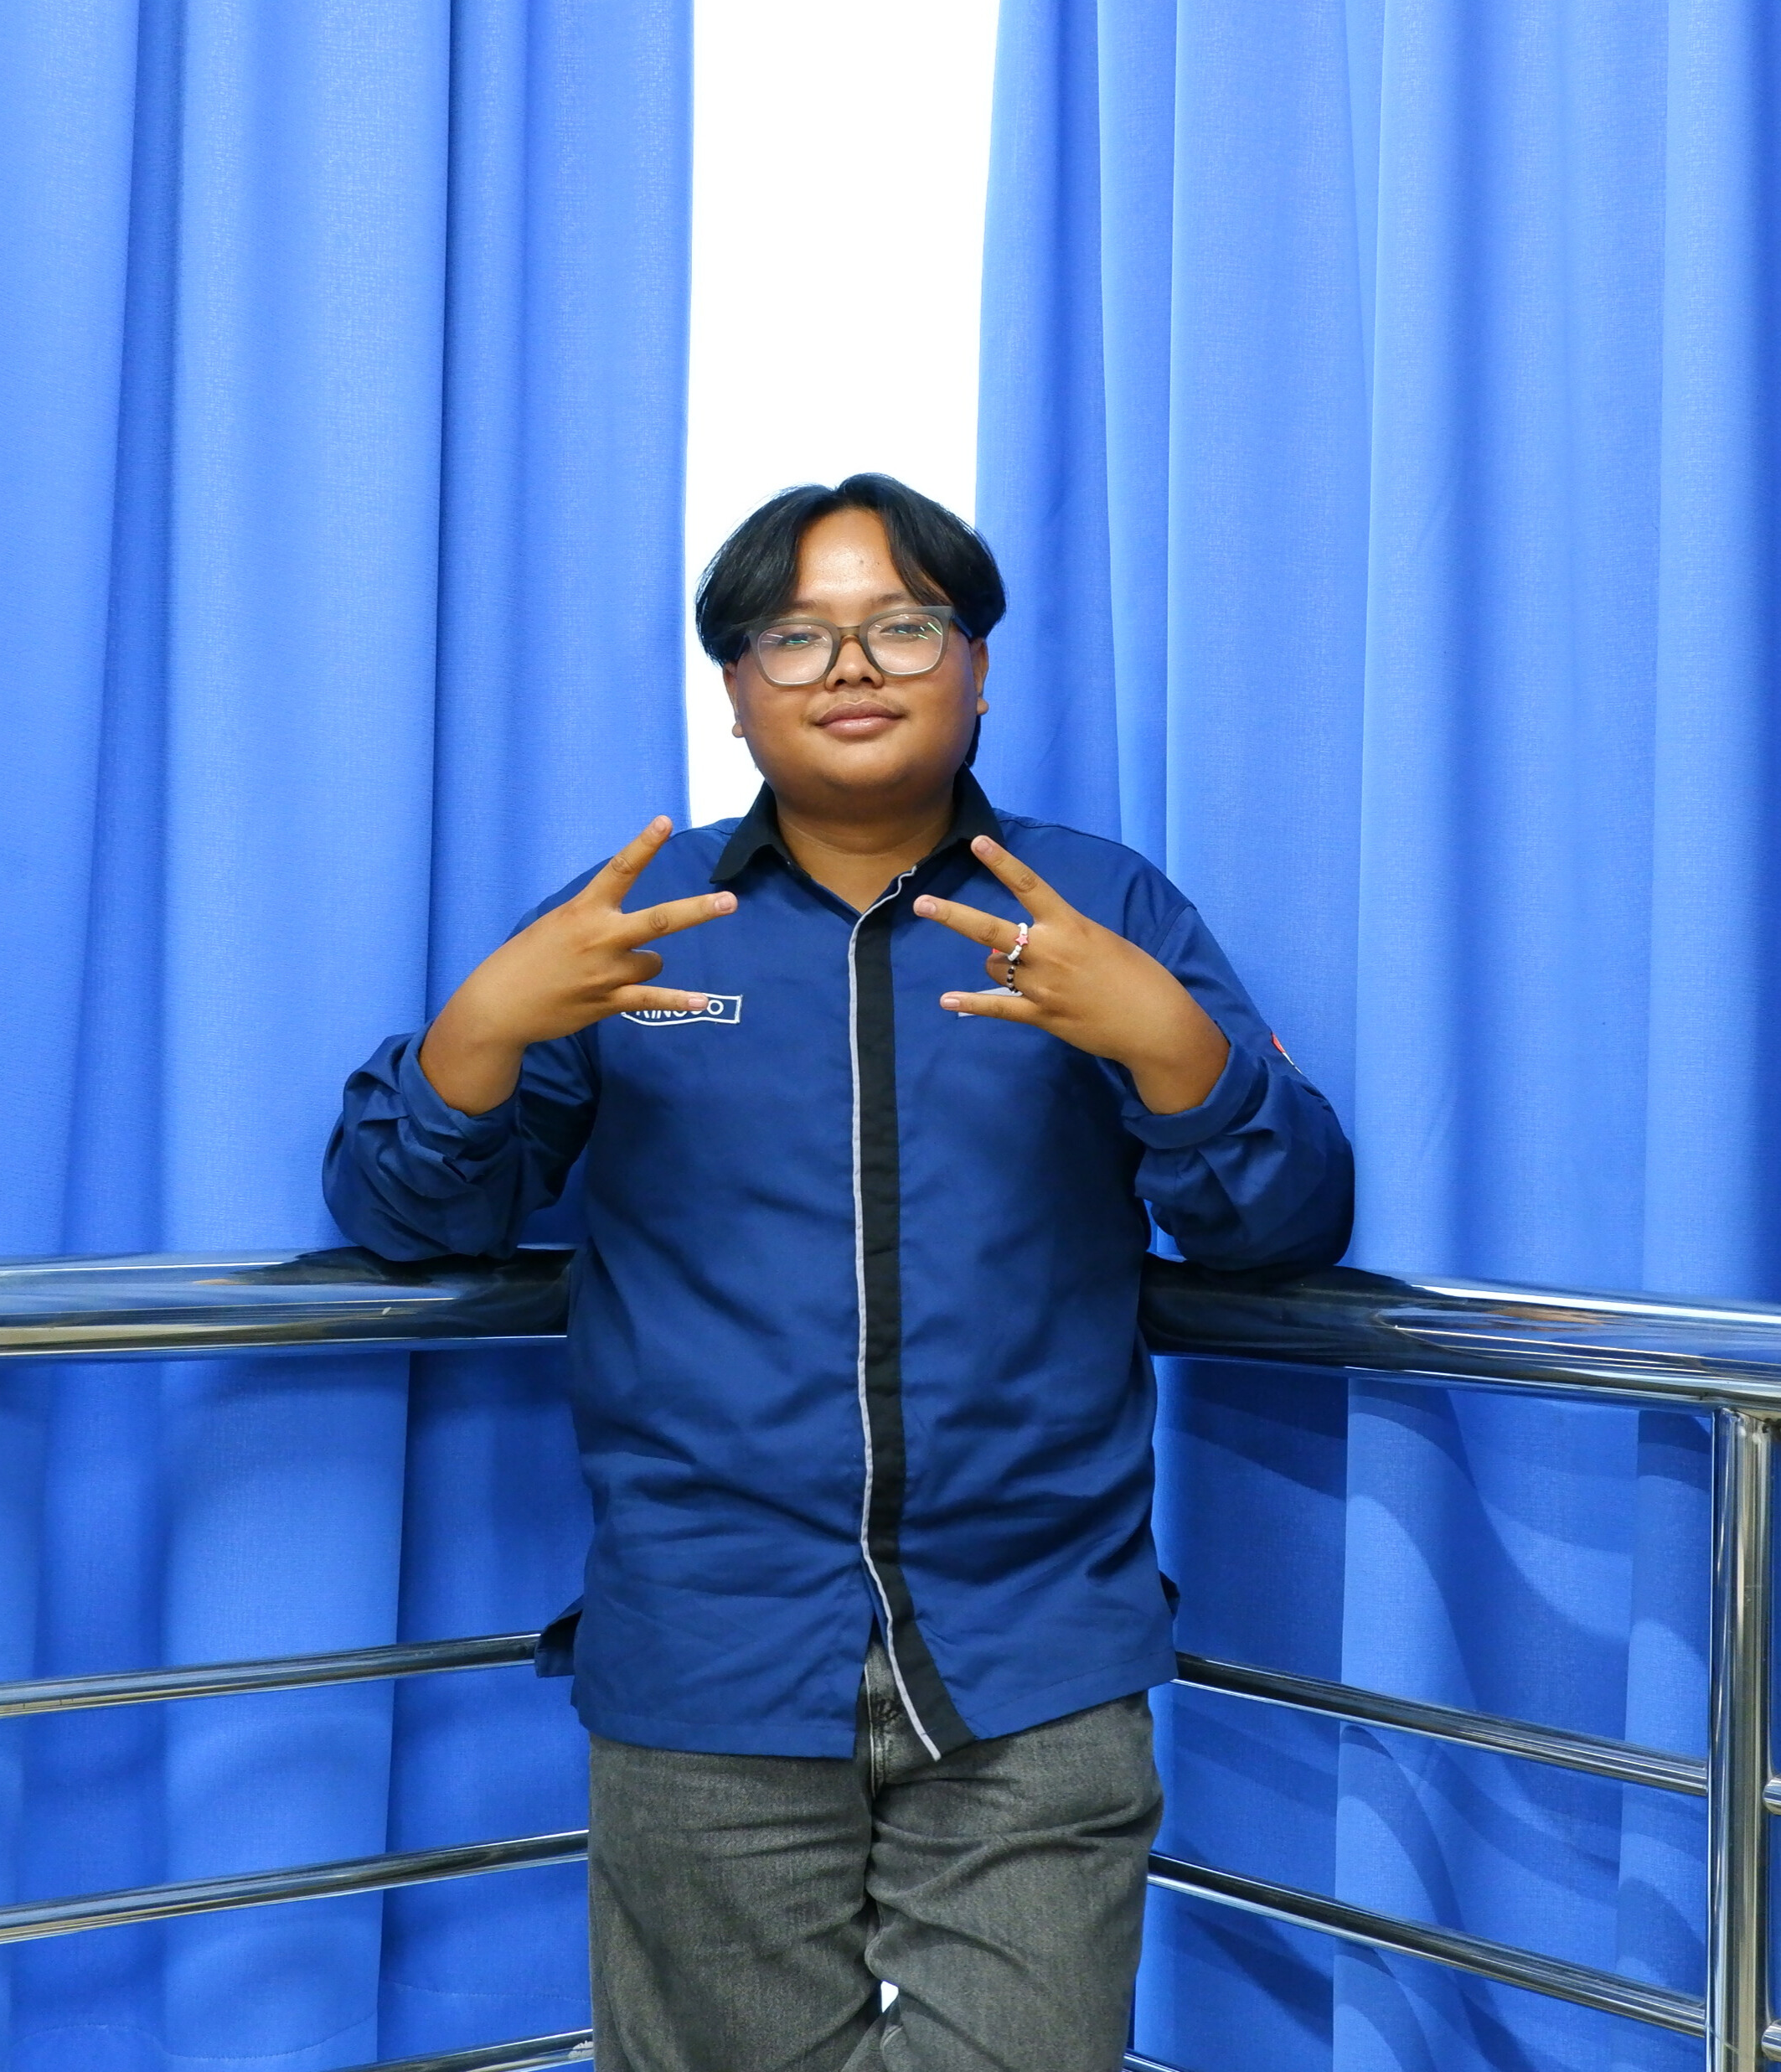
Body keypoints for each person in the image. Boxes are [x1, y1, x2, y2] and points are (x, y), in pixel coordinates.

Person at [324, 474, 1352, 2072]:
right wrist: (478, 1033)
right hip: (705, 1646)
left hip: (1035, 1645)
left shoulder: (1102, 905)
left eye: (904, 625)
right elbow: (409, 1217)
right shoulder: (634, 925)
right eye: (794, 637)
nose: (852, 666)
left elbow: (1281, 1225)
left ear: (979, 666)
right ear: (736, 691)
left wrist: (1176, 1052)